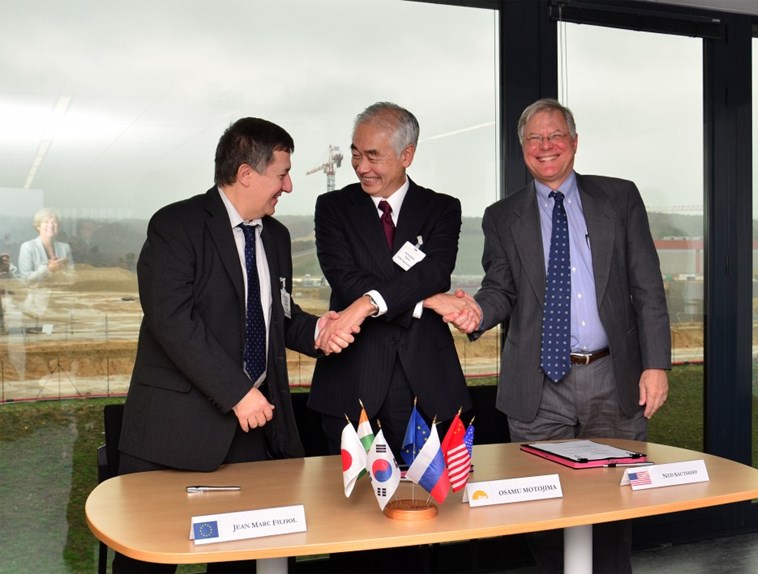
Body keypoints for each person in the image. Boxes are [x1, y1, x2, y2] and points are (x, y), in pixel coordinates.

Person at [114, 117, 356, 574]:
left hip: (249, 438)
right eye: (281, 173)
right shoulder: (176, 225)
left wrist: (320, 331)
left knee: (239, 563)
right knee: (147, 564)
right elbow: (173, 322)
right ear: (246, 173)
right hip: (171, 437)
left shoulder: (277, 237)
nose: (287, 186)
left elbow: (275, 317)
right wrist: (239, 393)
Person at [441, 98, 671, 573]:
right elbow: (500, 289)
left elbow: (647, 286)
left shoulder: (619, 197)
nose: (545, 147)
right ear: (522, 148)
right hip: (539, 385)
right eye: (534, 139)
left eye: (555, 136)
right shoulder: (502, 216)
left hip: (614, 377)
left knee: (613, 508)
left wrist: (656, 364)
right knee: (543, 512)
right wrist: (476, 313)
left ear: (574, 143)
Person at [309, 102, 472, 463]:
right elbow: (346, 279)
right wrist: (427, 301)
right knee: (347, 509)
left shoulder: (442, 208)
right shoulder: (332, 207)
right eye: (355, 153)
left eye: (372, 156)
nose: (360, 167)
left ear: (406, 155)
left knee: (433, 507)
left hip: (427, 385)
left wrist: (368, 304)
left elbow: (434, 273)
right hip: (353, 384)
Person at [17, 208, 75, 285]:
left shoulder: (65, 248)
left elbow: (73, 277)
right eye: (46, 222)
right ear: (38, 226)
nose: (50, 225)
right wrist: (48, 269)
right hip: (37, 295)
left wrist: (62, 270)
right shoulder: (27, 247)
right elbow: (25, 279)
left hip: (63, 294)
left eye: (54, 222)